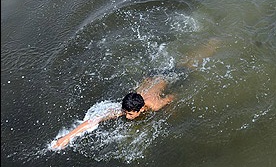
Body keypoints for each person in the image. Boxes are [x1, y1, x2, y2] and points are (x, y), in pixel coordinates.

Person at [50, 38, 221, 150]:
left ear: (140, 109)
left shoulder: (154, 104)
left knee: (189, 64)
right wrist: (66, 137)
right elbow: (92, 120)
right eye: (126, 112)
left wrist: (171, 109)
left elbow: (171, 97)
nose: (127, 116)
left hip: (167, 77)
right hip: (151, 76)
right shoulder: (125, 107)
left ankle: (213, 43)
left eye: (130, 114)